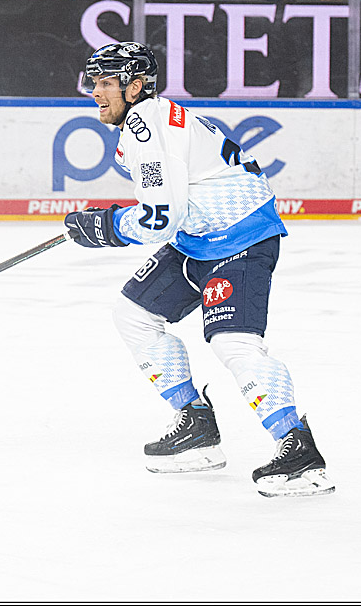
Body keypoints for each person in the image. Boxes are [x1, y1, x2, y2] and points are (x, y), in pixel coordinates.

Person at [64, 42, 335, 498]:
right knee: (133, 313)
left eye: (106, 82)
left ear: (135, 87)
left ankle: (300, 452)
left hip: (241, 239)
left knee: (233, 342)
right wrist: (109, 223)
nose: (96, 92)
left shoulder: (145, 124)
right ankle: (197, 427)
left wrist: (107, 225)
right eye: (94, 82)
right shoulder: (152, 119)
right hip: (199, 240)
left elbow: (158, 218)